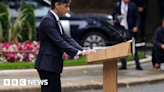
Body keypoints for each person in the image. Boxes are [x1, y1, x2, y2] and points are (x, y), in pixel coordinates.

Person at [34, 0, 96, 92]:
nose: (68, 9)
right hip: (47, 66)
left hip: (52, 65)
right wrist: (79, 53)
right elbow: (59, 41)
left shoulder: (54, 19)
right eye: (66, 6)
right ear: (57, 5)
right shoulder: (48, 20)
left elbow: (67, 39)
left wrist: (83, 50)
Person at [112, 0, 143, 70]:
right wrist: (116, 20)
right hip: (121, 28)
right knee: (121, 46)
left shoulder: (133, 5)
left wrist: (136, 26)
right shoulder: (117, 5)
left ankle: (137, 64)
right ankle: (123, 64)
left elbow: (137, 17)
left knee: (133, 46)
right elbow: (113, 16)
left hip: (130, 28)